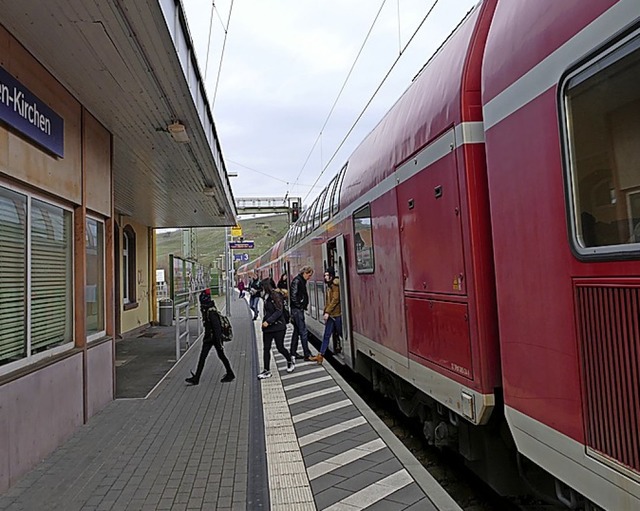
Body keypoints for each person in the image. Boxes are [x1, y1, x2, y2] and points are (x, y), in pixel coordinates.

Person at [186, 289, 235, 385]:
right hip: (210, 337)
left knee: (214, 356)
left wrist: (219, 343)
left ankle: (230, 373)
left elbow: (217, 328)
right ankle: (197, 378)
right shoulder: (208, 309)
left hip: (213, 338)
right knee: (206, 357)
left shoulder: (211, 312)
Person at [257, 278, 295, 379]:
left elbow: (279, 311)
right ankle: (266, 370)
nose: (262, 289)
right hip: (268, 328)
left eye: (263, 287)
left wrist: (268, 321)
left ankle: (289, 360)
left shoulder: (276, 296)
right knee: (266, 349)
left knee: (280, 347)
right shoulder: (266, 296)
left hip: (278, 327)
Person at [311, 267, 342, 364]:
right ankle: (320, 355)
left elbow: (335, 300)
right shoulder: (330, 286)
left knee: (341, 333)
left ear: (331, 276)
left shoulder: (335, 285)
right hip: (332, 315)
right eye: (325, 275)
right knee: (326, 335)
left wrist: (327, 312)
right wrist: (326, 312)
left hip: (336, 315)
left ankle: (340, 348)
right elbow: (329, 301)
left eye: (327, 275)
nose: (325, 277)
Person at [289, 266, 314, 361]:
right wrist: (300, 306)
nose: (309, 277)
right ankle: (307, 354)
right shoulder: (297, 281)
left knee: (296, 332)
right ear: (305, 273)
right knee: (303, 332)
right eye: (309, 275)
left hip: (297, 310)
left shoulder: (300, 280)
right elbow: (293, 296)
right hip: (297, 310)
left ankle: (293, 352)